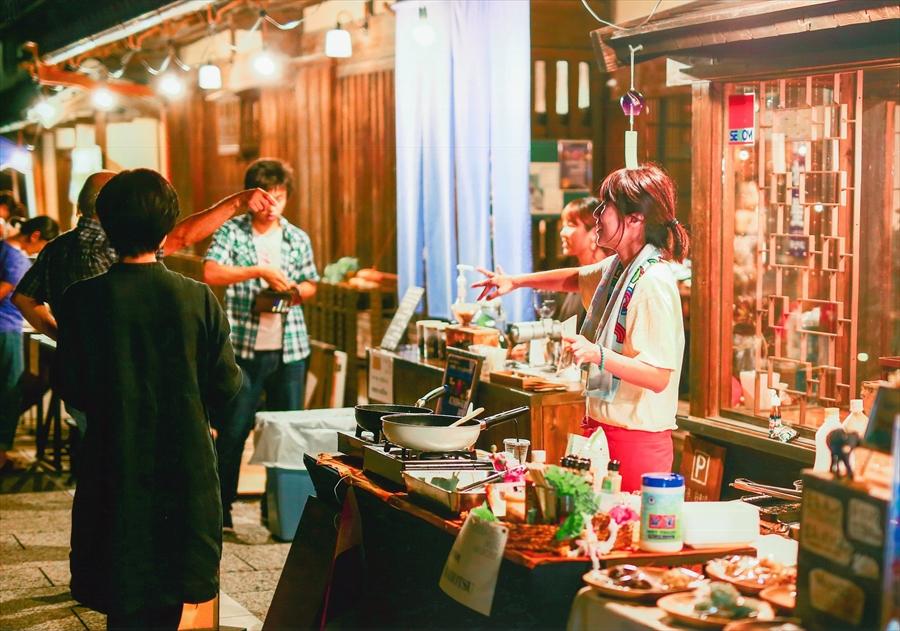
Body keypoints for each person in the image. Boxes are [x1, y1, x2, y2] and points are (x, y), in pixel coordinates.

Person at [54, 169, 242, 630]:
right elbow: (226, 385)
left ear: (105, 223)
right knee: (176, 588)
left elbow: (72, 386)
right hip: (186, 468)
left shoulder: (81, 300)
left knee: (123, 591)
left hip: (113, 464)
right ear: (167, 227)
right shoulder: (197, 298)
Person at [474, 164, 689, 491]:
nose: (598, 216)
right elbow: (575, 279)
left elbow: (658, 375)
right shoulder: (620, 266)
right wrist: (515, 282)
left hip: (636, 443)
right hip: (602, 432)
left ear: (635, 219)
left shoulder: (653, 281)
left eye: (606, 208)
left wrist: (597, 354)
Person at [13, 171, 277, 340]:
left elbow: (24, 298)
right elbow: (181, 237)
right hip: (122, 385)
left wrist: (63, 337)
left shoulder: (57, 247)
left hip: (80, 381)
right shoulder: (114, 244)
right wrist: (236, 204)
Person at [203, 158, 318, 530]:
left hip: (290, 349)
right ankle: (221, 514)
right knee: (233, 430)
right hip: (244, 351)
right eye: (266, 199)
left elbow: (311, 282)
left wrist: (295, 291)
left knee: (286, 433)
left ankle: (280, 513)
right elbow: (211, 272)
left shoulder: (296, 237)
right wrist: (260, 271)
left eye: (280, 199)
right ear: (253, 197)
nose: (273, 207)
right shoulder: (232, 232)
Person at [0, 216, 59, 469]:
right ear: (35, 236)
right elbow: (9, 290)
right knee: (10, 391)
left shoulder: (3, 247)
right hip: (6, 328)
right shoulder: (16, 257)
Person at [557, 196, 607, 326]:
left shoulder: (602, 278)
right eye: (563, 225)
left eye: (571, 225)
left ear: (595, 232)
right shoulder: (580, 272)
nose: (562, 232)